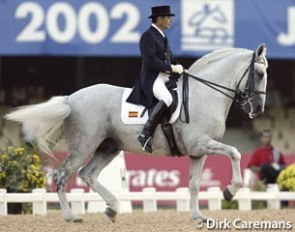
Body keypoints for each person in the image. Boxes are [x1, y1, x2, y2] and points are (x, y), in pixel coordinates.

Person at [127, 5, 184, 153]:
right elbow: (150, 61)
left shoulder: (163, 36)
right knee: (168, 98)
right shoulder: (148, 36)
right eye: (168, 17)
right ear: (159, 19)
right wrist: (171, 68)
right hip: (152, 79)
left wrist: (179, 67)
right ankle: (145, 134)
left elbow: (171, 58)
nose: (170, 21)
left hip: (165, 77)